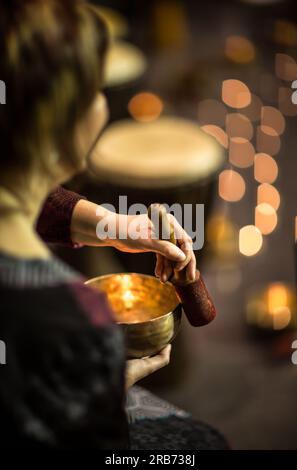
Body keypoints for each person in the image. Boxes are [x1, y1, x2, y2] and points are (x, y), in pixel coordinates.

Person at [0, 0, 228, 449]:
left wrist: (109, 224)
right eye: (96, 91)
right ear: (63, 128)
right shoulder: (68, 324)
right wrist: (102, 391)